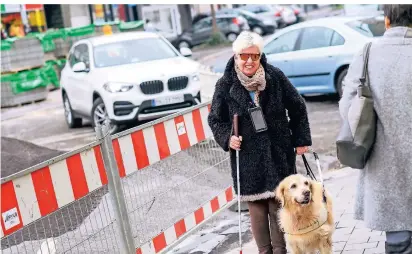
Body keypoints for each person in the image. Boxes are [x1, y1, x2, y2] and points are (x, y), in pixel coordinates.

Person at [208, 31, 312, 254]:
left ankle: (280, 250)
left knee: (279, 206)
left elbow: (297, 106)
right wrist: (228, 138)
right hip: (247, 157)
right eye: (244, 56)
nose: (249, 61)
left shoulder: (274, 77)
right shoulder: (225, 85)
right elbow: (216, 119)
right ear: (236, 56)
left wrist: (301, 139)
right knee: (256, 210)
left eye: (254, 56)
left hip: (278, 152)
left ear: (260, 56)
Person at [339, 4, 412, 253]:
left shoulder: (368, 53)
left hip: (385, 166)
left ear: (387, 21)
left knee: (398, 240)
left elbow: (348, 108)